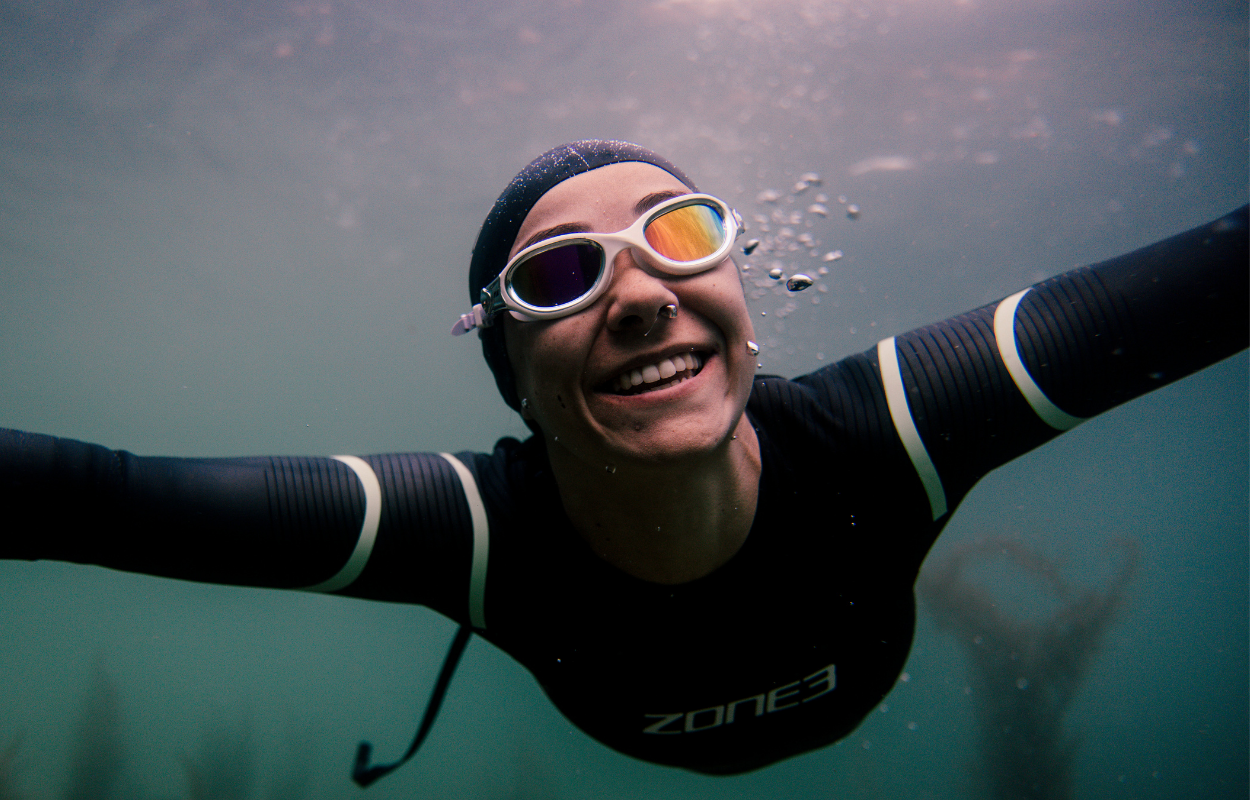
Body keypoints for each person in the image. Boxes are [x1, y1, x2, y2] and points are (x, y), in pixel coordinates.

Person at [1, 140, 1245, 781]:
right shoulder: (468, 530)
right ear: (510, 371)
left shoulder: (888, 429)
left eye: (680, 235)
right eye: (560, 274)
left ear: (741, 292)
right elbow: (96, 499)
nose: (644, 295)